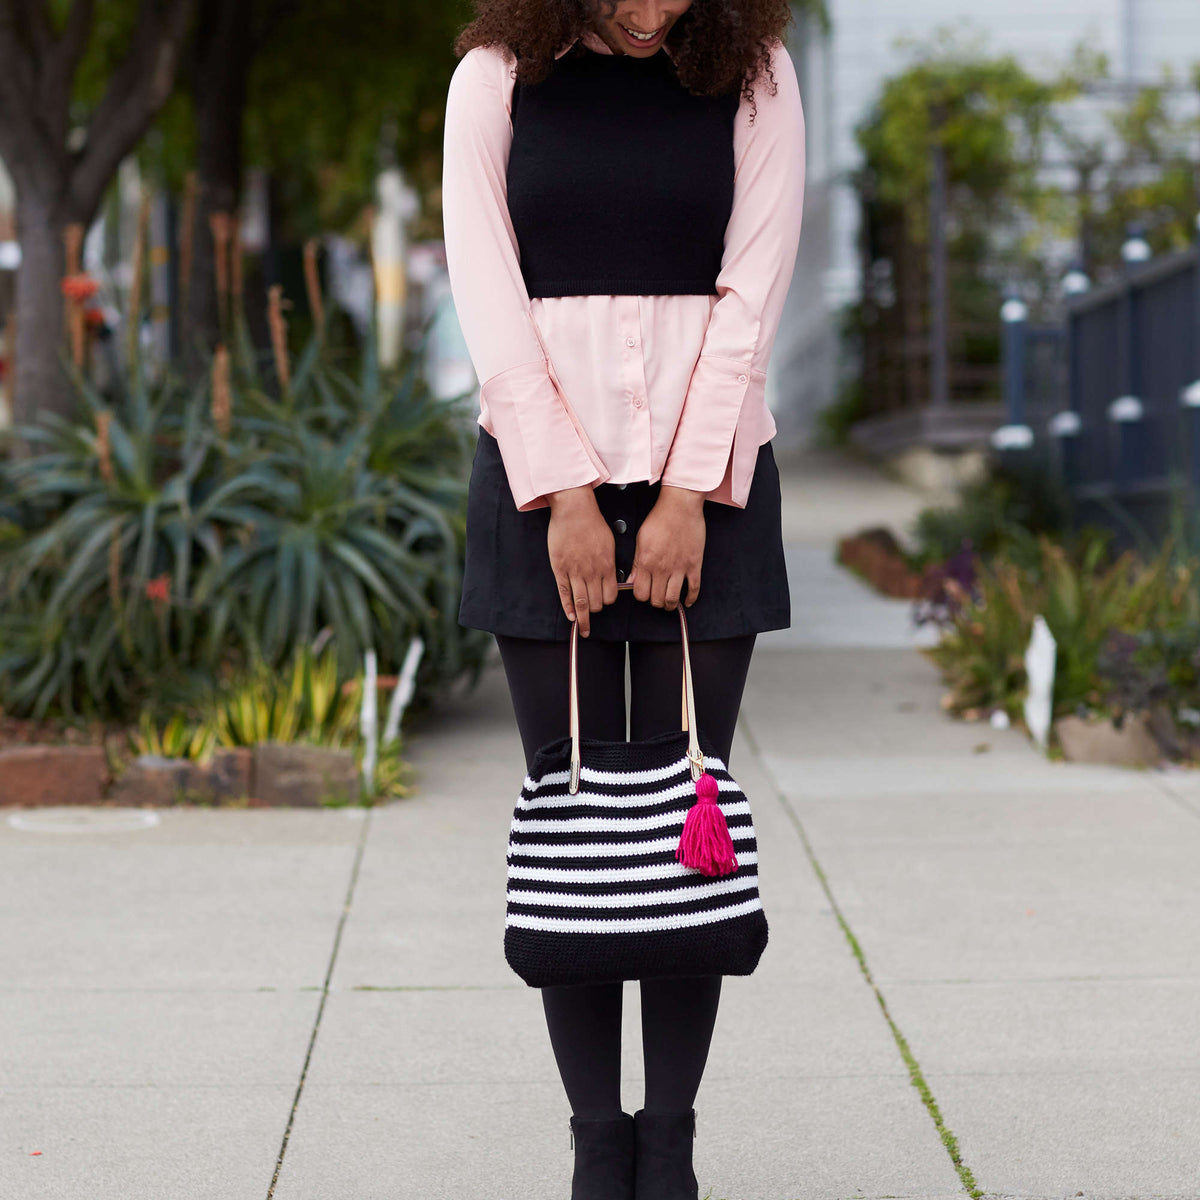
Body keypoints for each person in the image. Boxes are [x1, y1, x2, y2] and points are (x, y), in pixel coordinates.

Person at [441, 2, 805, 1196]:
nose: (655, 6)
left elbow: (753, 292)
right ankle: (600, 1144)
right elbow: (487, 295)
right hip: (548, 493)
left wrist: (693, 489)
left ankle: (674, 1143)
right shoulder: (498, 78)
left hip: (717, 484)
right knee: (580, 825)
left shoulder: (755, 76)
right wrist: (569, 494)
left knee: (686, 826)